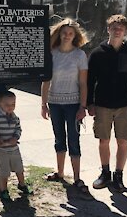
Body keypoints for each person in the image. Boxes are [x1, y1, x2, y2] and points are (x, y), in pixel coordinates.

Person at [86, 14, 127, 192]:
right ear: (108, 29)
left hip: (125, 105)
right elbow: (89, 80)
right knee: (103, 141)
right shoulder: (97, 53)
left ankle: (118, 176)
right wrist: (89, 103)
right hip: (102, 104)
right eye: (114, 27)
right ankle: (105, 173)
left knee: (123, 142)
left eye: (121, 28)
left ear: (126, 31)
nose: (117, 30)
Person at [40, 18, 90, 195]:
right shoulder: (51, 54)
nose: (67, 36)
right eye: (64, 33)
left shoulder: (80, 56)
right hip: (55, 104)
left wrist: (82, 107)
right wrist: (43, 104)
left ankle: (77, 178)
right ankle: (60, 173)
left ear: (75, 35)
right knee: (59, 138)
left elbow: (84, 83)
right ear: (59, 34)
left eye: (71, 33)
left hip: (73, 104)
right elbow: (46, 81)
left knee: (74, 139)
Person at [0, 91, 34, 200]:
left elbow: (18, 129)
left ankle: (22, 185)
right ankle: (4, 190)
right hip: (2, 149)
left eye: (13, 104)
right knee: (4, 171)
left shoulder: (15, 117)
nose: (10, 107)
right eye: (7, 105)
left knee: (19, 168)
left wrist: (15, 138)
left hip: (14, 148)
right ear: (0, 104)